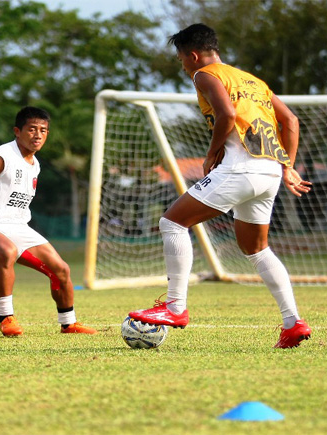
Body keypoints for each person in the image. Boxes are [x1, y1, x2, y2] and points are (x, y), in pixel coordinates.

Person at [127, 24, 313, 348]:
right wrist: (288, 167)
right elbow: (291, 122)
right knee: (256, 248)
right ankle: (292, 323)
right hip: (269, 172)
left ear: (193, 55)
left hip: (240, 167)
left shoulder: (204, 75)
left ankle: (175, 308)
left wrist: (212, 152)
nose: (183, 66)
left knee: (171, 222)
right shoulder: (253, 81)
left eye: (181, 59)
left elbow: (226, 113)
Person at [0, 107, 97, 337]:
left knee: (61, 269)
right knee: (7, 251)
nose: (38, 135)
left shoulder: (35, 164)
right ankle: (6, 318)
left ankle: (68, 324)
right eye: (32, 129)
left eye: (43, 130)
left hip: (17, 227)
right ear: (17, 131)